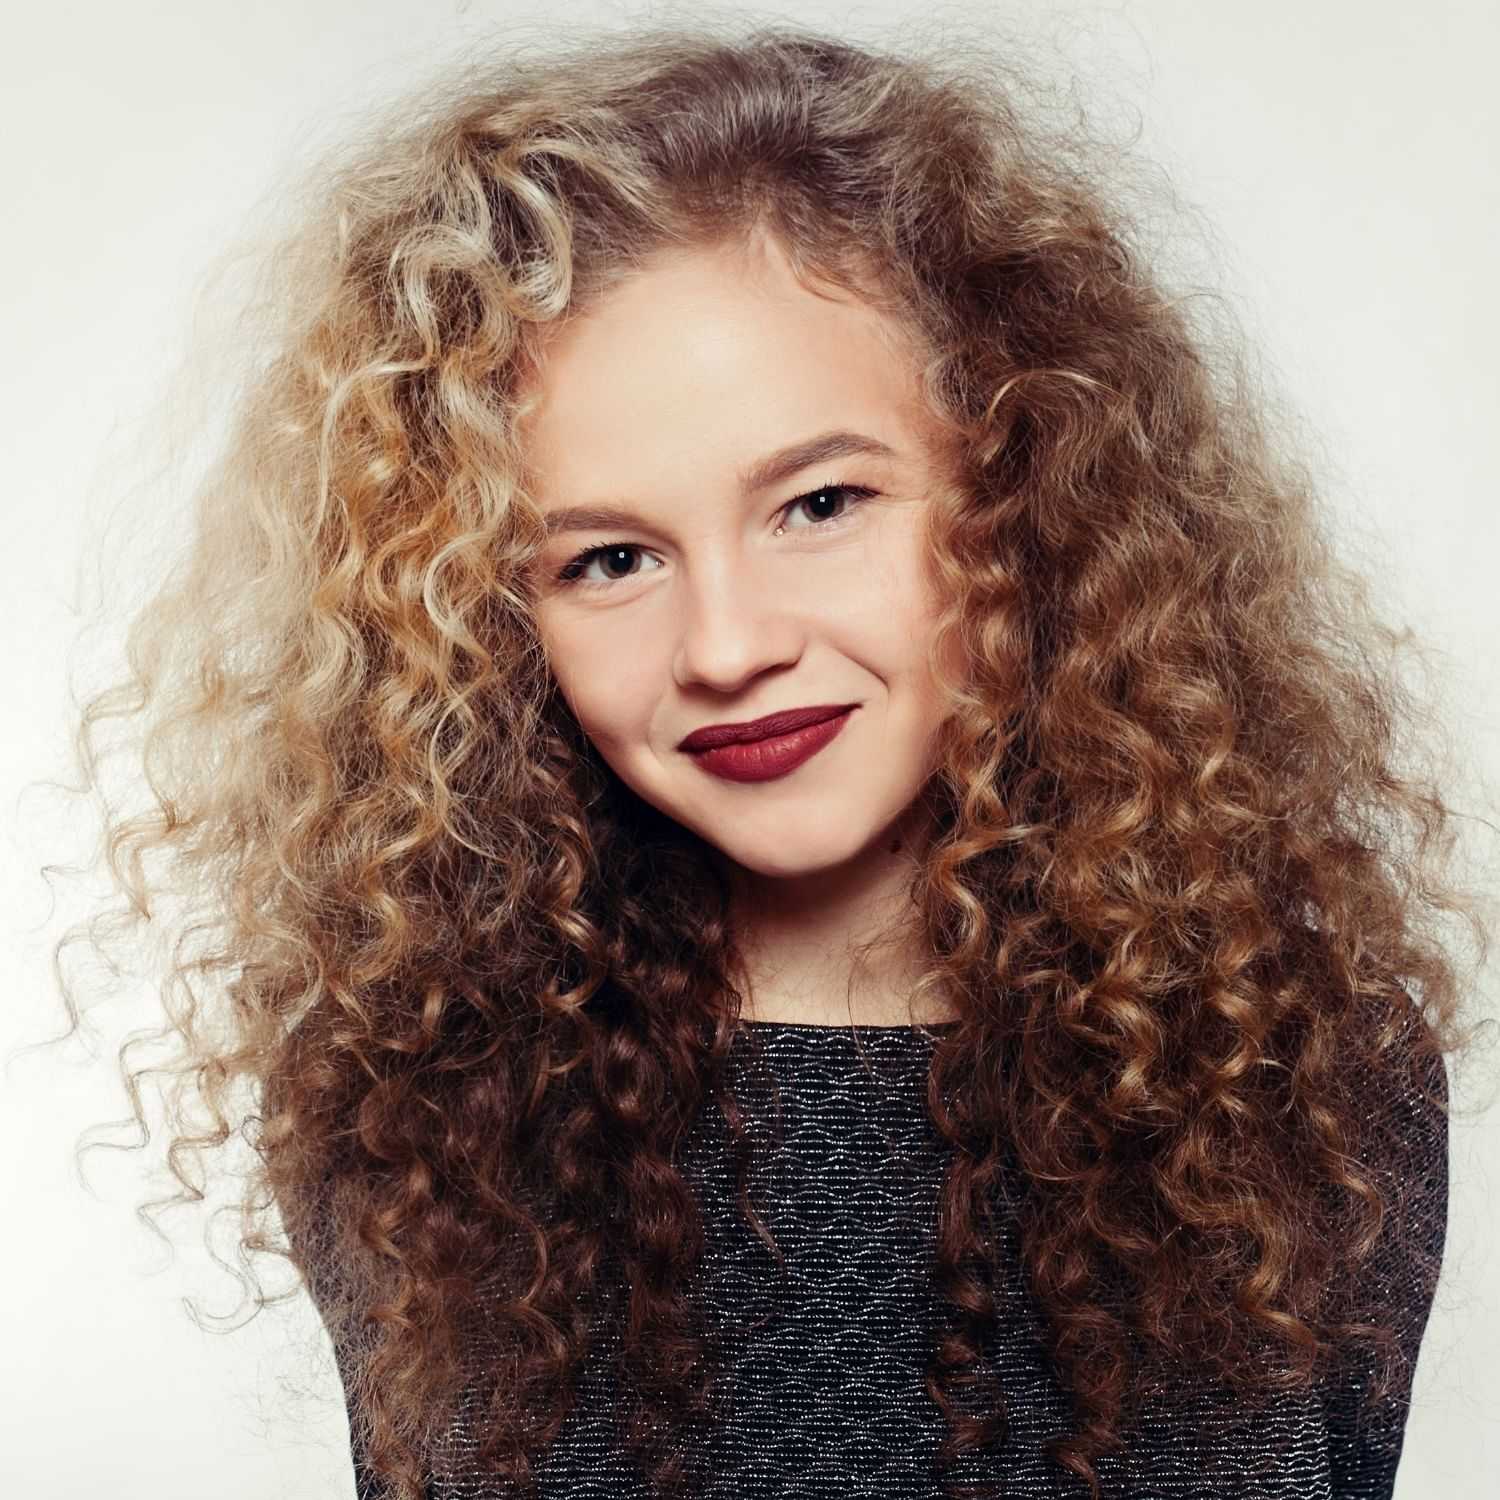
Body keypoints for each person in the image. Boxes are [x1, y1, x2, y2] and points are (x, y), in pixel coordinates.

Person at [42, 17, 1483, 1500]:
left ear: (1026, 481)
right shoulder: (419, 1121)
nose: (725, 645)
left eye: (818, 504)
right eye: (608, 558)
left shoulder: (1308, 1083)